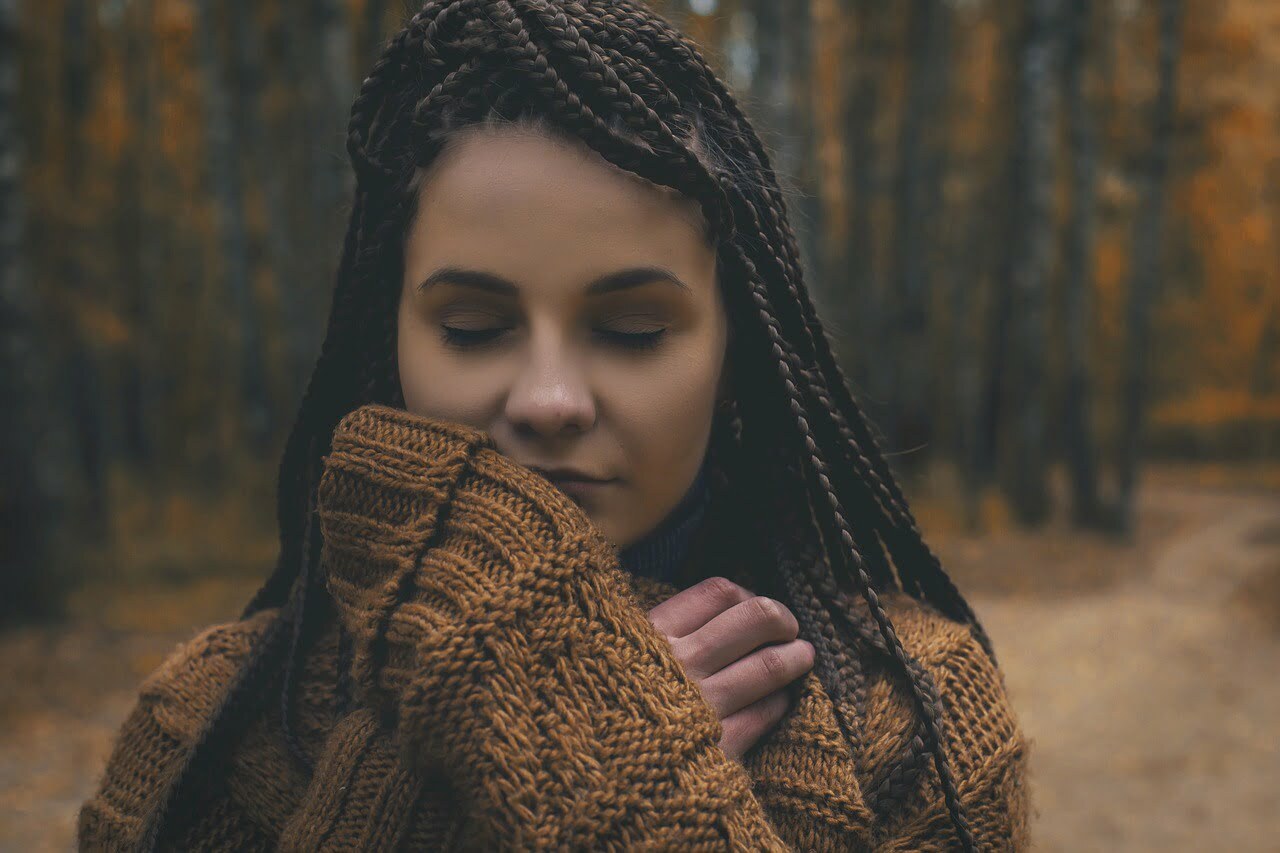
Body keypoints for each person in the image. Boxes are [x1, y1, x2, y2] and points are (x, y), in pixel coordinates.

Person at [78, 1, 1031, 849]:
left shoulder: (917, 720)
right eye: (474, 327)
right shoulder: (206, 726)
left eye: (632, 329)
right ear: (392, 343)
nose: (548, 399)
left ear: (734, 358)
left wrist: (629, 802)